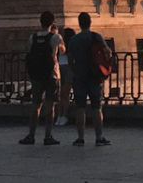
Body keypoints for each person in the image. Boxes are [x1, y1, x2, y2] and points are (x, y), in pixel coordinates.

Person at [67, 10, 113, 147]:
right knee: (96, 107)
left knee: (80, 108)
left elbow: (70, 59)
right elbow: (107, 52)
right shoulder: (96, 36)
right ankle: (99, 137)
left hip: (80, 76)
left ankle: (80, 138)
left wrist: (75, 70)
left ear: (79, 24)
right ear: (90, 23)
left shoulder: (74, 39)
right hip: (95, 76)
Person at [21, 11, 65, 144]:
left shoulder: (32, 37)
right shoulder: (55, 37)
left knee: (36, 105)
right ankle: (48, 136)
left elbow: (28, 52)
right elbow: (63, 50)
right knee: (50, 105)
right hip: (51, 74)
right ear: (52, 23)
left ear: (40, 22)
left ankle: (31, 135)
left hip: (36, 74)